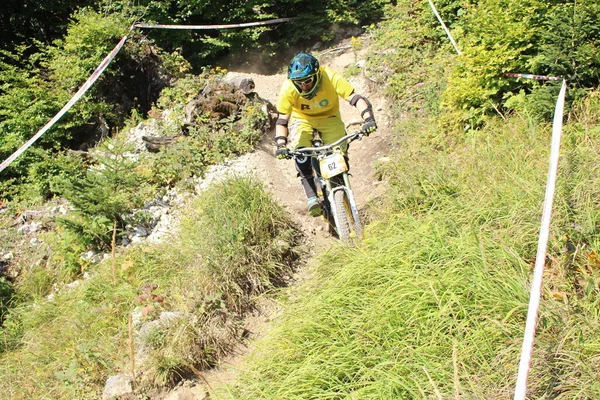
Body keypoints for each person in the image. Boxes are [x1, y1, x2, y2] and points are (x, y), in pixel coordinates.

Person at [273, 52, 377, 216]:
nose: (304, 86)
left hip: (329, 117)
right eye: (299, 83)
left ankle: (340, 185)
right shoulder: (288, 88)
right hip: (303, 119)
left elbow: (355, 98)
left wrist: (368, 119)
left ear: (317, 75)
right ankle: (311, 195)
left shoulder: (329, 76)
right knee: (300, 150)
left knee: (339, 150)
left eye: (308, 81)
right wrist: (281, 144)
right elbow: (282, 120)